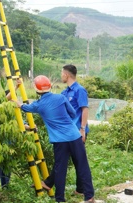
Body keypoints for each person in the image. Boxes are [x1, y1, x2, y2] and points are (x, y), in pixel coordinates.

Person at [8, 76, 95, 203]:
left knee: (60, 169)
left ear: (36, 90)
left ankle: (60, 199)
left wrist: (18, 102)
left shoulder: (38, 105)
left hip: (59, 140)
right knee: (83, 166)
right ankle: (89, 197)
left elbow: (24, 107)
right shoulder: (61, 97)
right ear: (50, 86)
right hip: (74, 136)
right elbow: (72, 113)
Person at [43, 65, 91, 195]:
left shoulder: (79, 90)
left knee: (77, 160)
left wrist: (82, 129)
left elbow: (84, 109)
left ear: (66, 75)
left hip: (77, 132)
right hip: (66, 133)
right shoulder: (64, 93)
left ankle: (79, 189)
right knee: (64, 160)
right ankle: (51, 184)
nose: (61, 76)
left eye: (61, 73)